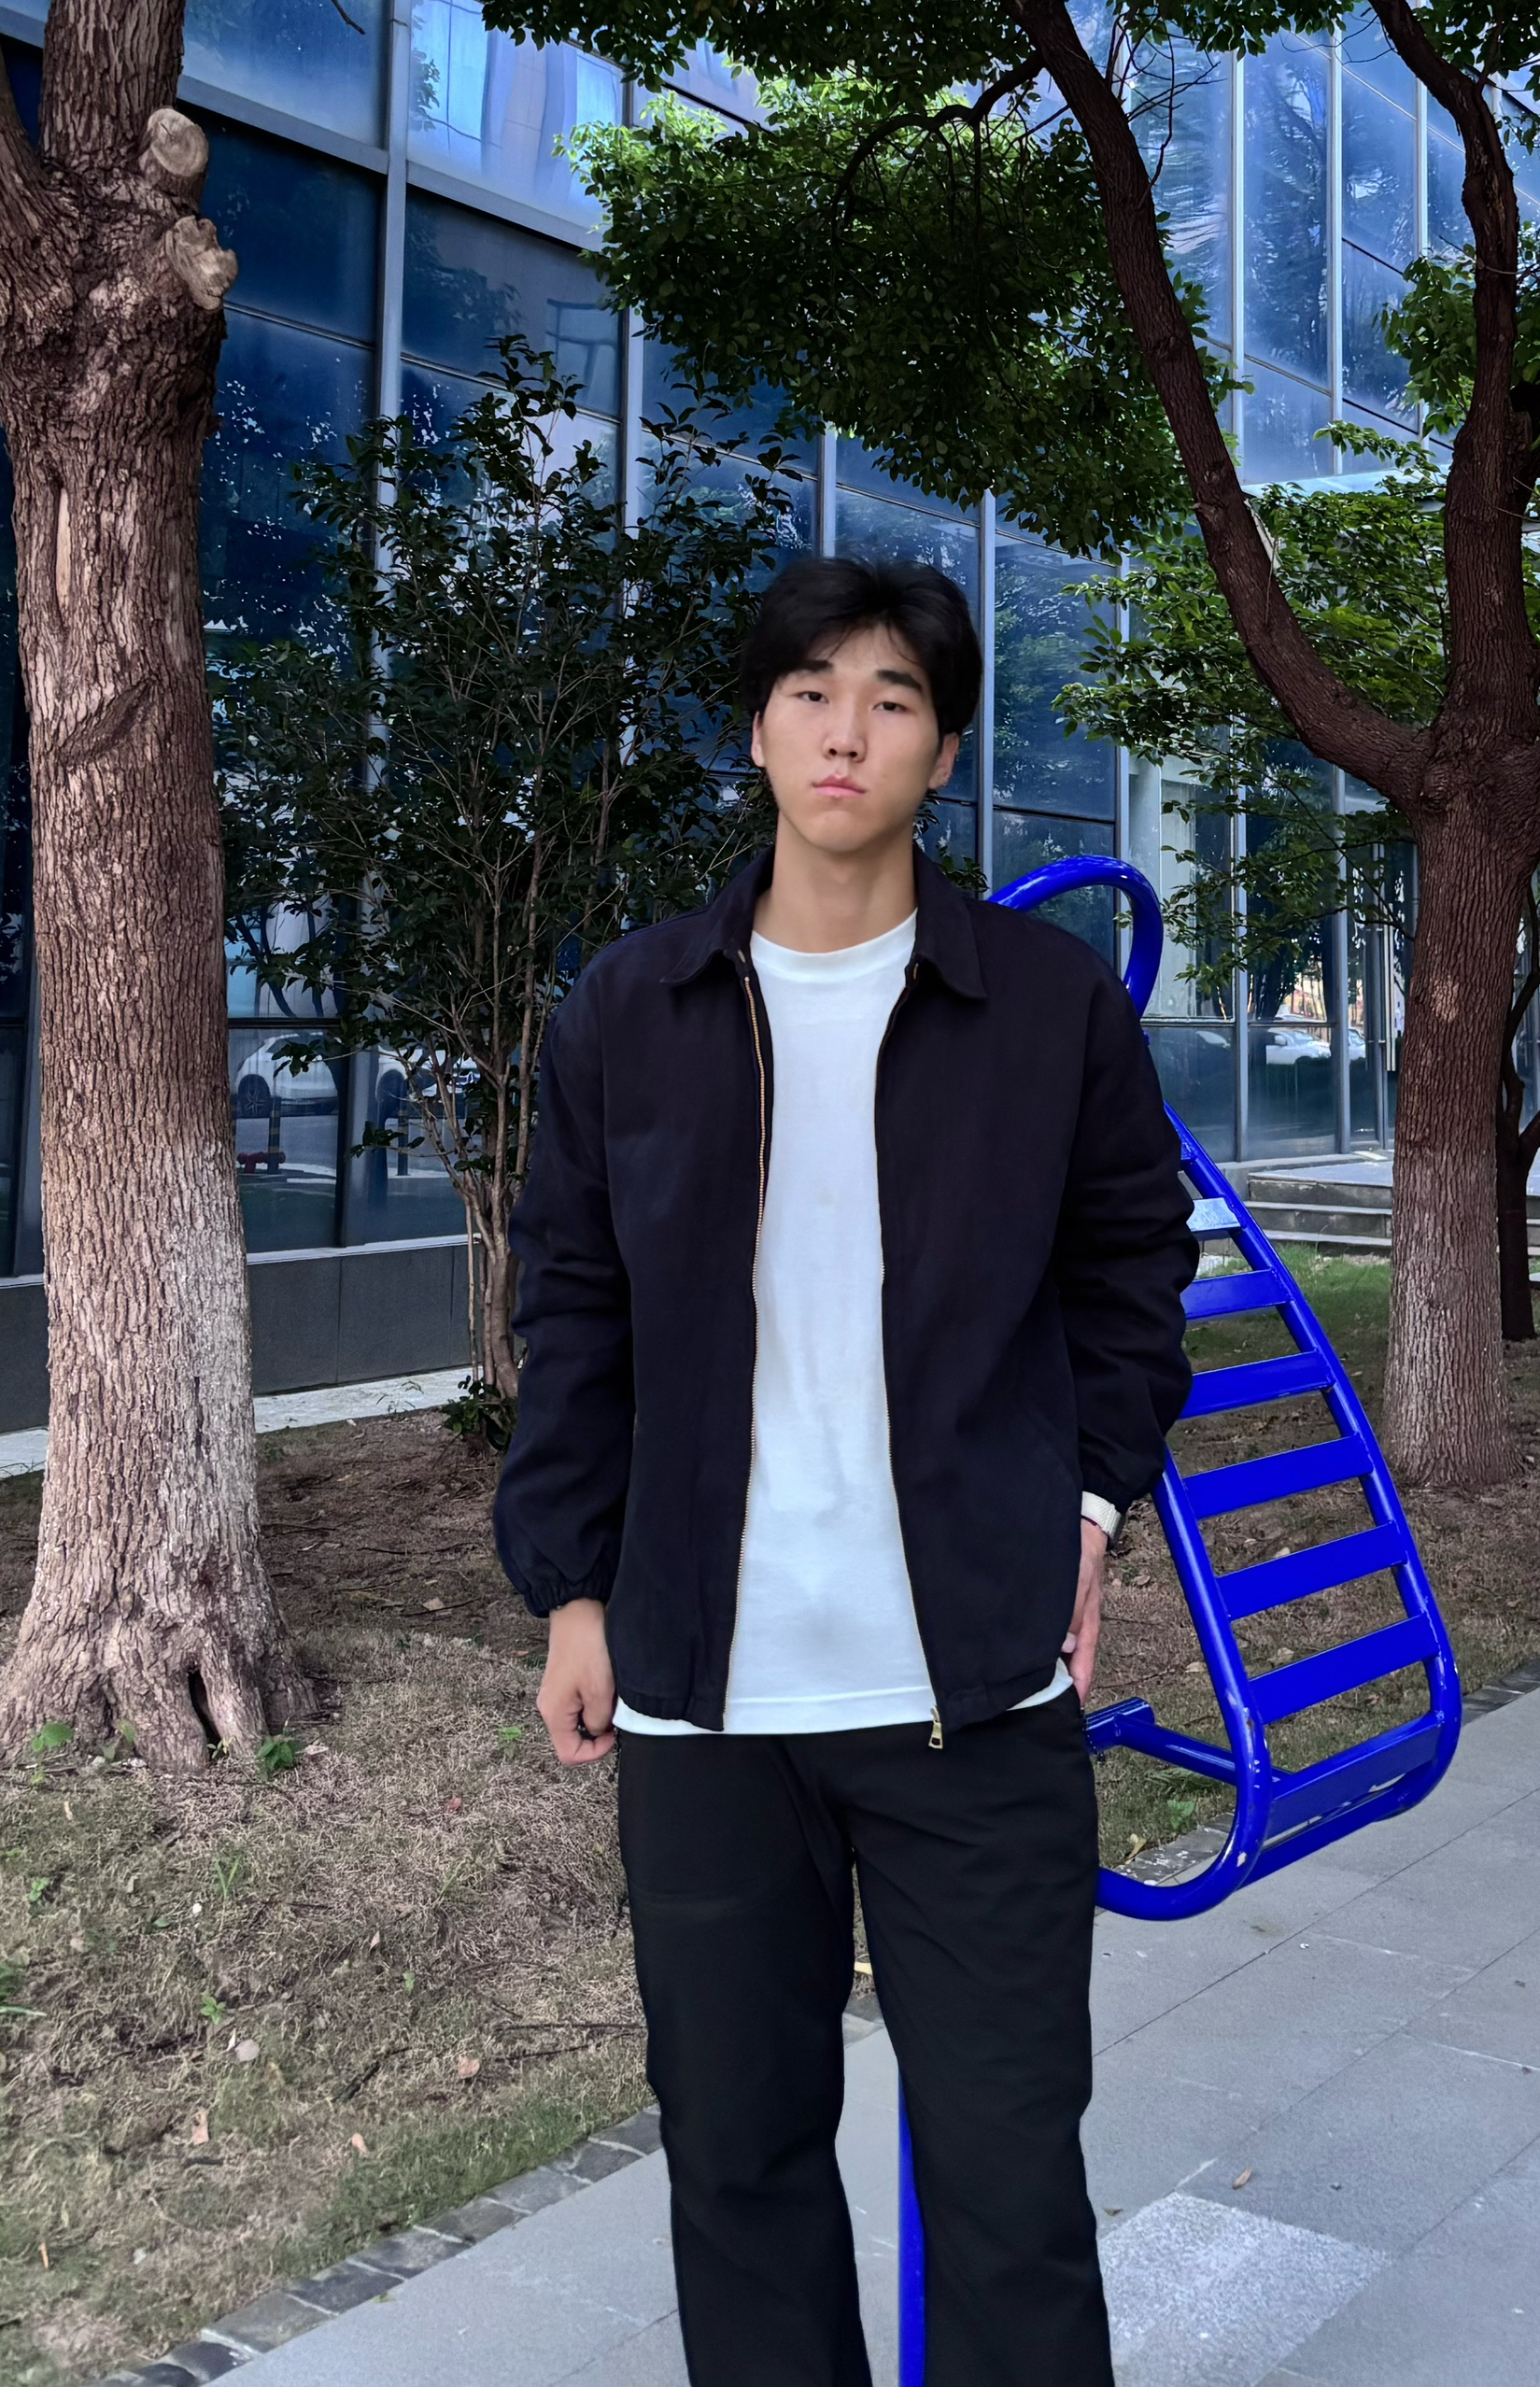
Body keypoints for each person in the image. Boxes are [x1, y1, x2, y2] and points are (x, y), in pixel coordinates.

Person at [494, 556, 1196, 2387]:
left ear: (942, 751)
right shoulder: (632, 1010)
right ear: (756, 728)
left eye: (893, 699)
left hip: (973, 1696)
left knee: (1009, 2181)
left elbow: (1133, 1269)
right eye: (810, 691)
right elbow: (573, 1311)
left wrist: (1088, 1505)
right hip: (705, 1702)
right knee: (737, 2169)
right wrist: (572, 1588)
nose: (846, 731)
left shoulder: (1043, 1009)